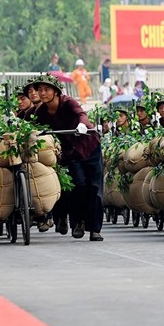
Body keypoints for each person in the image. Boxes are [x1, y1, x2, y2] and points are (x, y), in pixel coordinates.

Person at [28, 73, 104, 241]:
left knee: (94, 188)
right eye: (40, 90)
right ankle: (78, 223)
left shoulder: (68, 102)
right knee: (78, 185)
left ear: (56, 91)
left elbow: (81, 114)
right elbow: (28, 124)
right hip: (70, 152)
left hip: (89, 147)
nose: (42, 93)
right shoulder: (40, 111)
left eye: (47, 89)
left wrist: (82, 125)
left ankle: (95, 229)